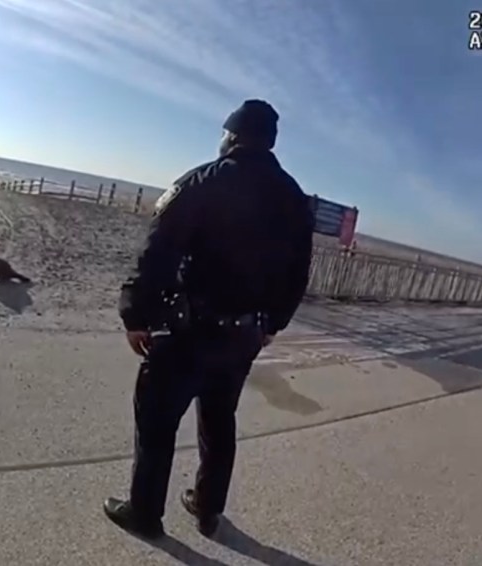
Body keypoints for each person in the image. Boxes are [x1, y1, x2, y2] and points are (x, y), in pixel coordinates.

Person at [103, 99, 315, 540]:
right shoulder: (294, 199)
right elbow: (298, 272)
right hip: (243, 337)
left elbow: (158, 250)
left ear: (233, 135)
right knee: (219, 424)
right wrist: (272, 324)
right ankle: (207, 509)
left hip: (188, 331)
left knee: (157, 423)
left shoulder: (204, 180)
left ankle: (145, 514)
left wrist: (135, 315)